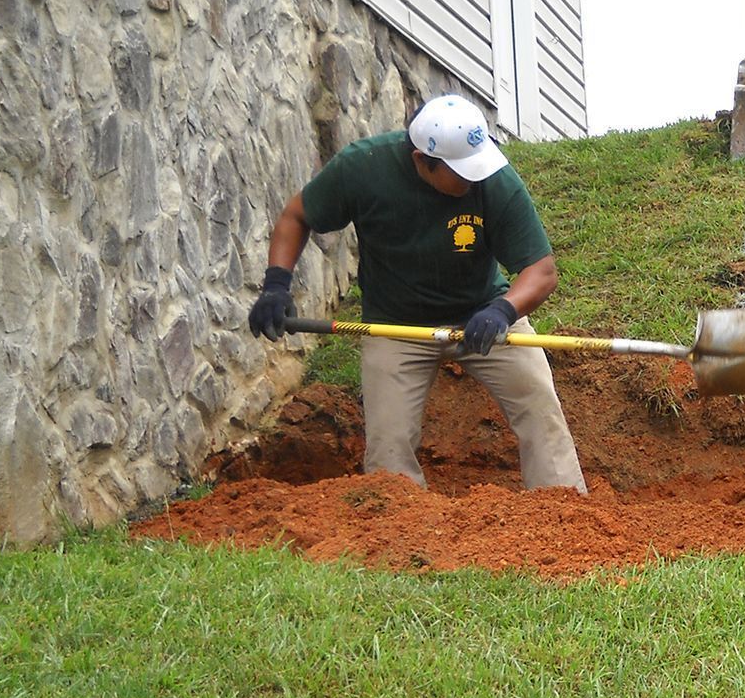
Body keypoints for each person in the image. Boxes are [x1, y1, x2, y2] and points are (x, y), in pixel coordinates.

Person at [247, 94, 587, 495]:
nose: (473, 179)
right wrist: (275, 285)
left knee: (539, 404)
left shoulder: (494, 177)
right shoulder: (364, 168)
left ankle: (561, 510)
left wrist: (503, 310)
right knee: (389, 446)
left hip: (483, 316)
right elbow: (297, 215)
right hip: (396, 324)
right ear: (420, 161)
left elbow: (541, 271)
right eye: (461, 173)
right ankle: (399, 532)